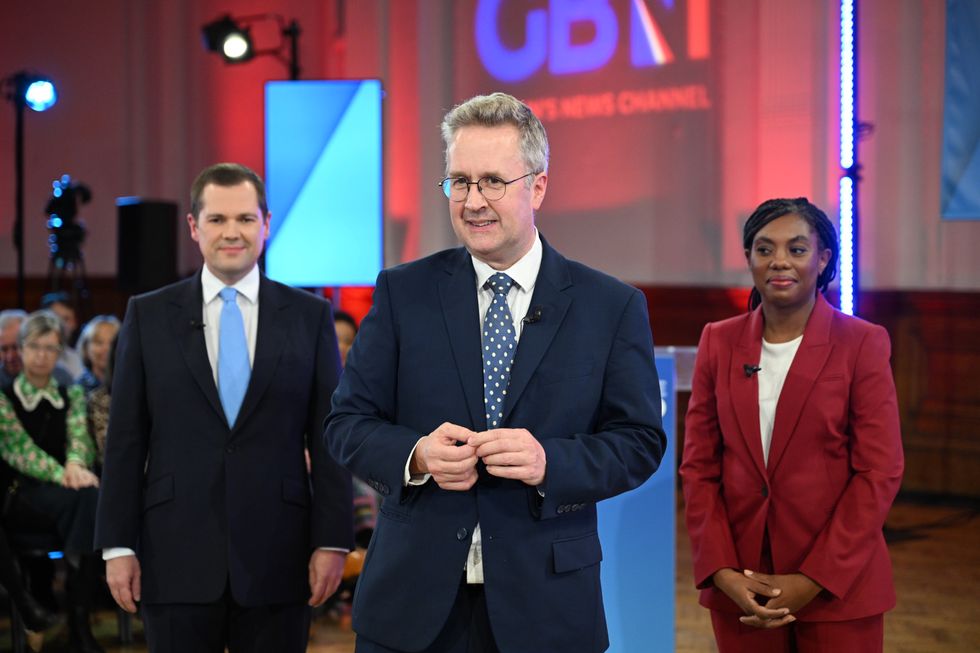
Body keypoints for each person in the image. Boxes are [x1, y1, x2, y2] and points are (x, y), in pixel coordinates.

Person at [325, 92, 666, 653]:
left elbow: (638, 443)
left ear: (537, 186)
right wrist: (415, 456)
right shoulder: (402, 292)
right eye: (459, 182)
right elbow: (347, 422)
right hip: (411, 608)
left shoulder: (610, 306)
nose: (472, 200)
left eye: (492, 182)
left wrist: (548, 461)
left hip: (547, 606)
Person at [94, 162, 354, 653]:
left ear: (266, 224)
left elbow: (328, 439)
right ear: (194, 227)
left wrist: (332, 539)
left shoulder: (309, 316)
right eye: (216, 220)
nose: (231, 232)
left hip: (281, 555)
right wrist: (119, 545)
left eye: (244, 219)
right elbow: (126, 440)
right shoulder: (148, 316)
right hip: (174, 553)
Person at [679, 197, 904, 652]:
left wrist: (813, 578)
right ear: (749, 259)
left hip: (839, 586)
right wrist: (722, 572)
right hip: (742, 587)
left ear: (823, 260)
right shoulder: (717, 341)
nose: (779, 260)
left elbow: (879, 472)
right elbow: (698, 469)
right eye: (764, 249)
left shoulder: (862, 343)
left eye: (797, 249)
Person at [0, 310, 104, 653]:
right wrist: (65, 474)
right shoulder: (5, 396)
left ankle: (77, 619)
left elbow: (79, 437)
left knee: (89, 499)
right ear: (22, 348)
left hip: (67, 496)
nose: (43, 355)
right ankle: (78, 621)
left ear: (60, 352)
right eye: (35, 346)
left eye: (51, 347)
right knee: (88, 499)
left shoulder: (70, 393)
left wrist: (76, 462)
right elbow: (20, 451)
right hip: (22, 495)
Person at [39, 292, 85, 380]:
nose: (60, 324)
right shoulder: (29, 356)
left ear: (74, 323)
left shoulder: (78, 359)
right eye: (55, 317)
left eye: (66, 319)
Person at [75, 315, 120, 393]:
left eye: (112, 343)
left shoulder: (132, 383)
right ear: (86, 348)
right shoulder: (77, 389)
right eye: (99, 342)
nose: (107, 349)